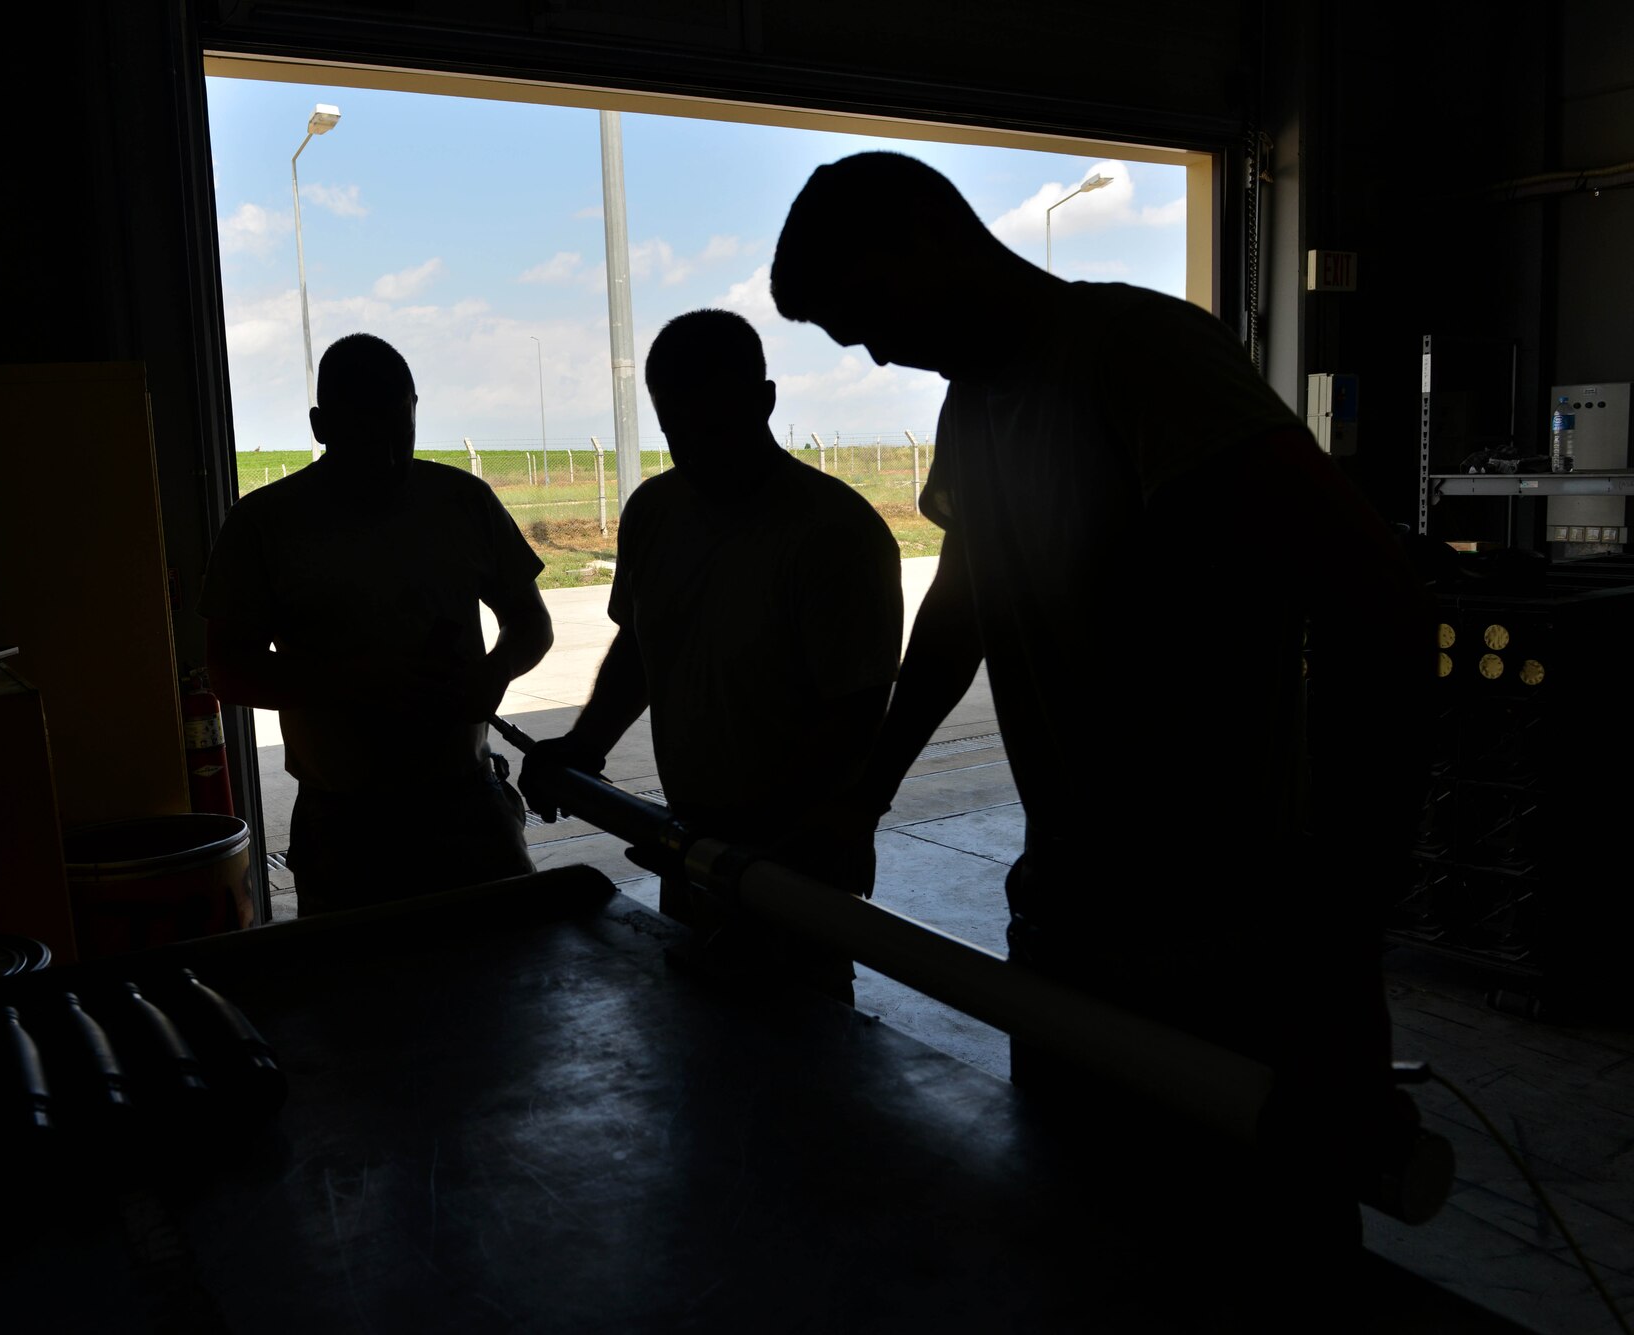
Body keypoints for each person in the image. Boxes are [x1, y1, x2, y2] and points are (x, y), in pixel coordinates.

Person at [770, 152, 1432, 1254]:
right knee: (1093, 1232)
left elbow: (1372, 599)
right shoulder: (974, 408)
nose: (878, 351)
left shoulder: (1137, 355)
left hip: (1232, 926)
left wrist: (1349, 904)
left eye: (868, 315)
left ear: (930, 240)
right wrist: (864, 797)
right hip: (1075, 919)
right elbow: (962, 606)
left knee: (1257, 1246)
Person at [519, 309, 903, 1002]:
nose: (696, 448)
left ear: (765, 402)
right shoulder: (655, 513)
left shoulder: (835, 536)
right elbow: (639, 642)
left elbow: (856, 720)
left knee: (803, 1048)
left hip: (798, 862)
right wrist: (585, 744)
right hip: (696, 847)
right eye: (677, 430)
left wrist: (764, 843)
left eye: (716, 426)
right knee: (702, 1036)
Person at [200, 333, 553, 909]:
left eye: (399, 430)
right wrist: (357, 679)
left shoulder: (465, 501)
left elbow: (531, 622)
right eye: (364, 435)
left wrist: (497, 672)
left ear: (416, 409)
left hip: (467, 803)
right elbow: (228, 671)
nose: (387, 455)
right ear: (320, 426)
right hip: (344, 825)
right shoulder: (262, 525)